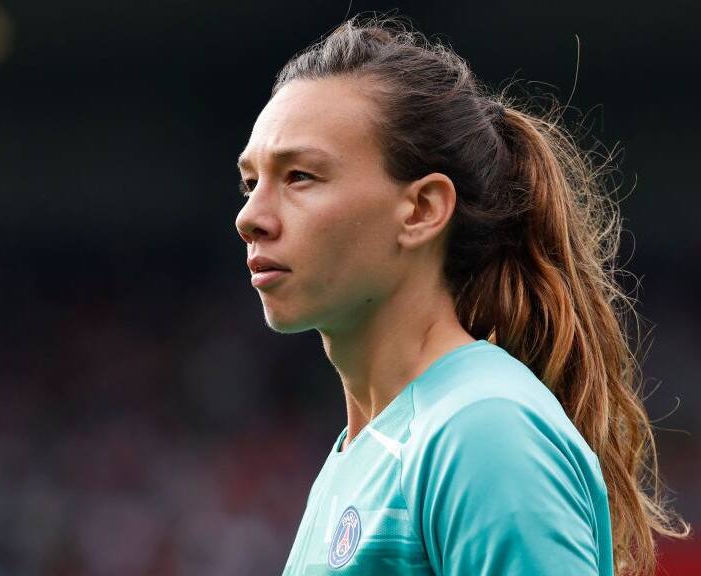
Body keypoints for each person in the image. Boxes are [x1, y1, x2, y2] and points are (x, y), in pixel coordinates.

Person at [234, 15, 690, 576]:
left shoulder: (482, 429)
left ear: (423, 210)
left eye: (299, 176)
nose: (249, 217)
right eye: (250, 183)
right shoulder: (363, 452)